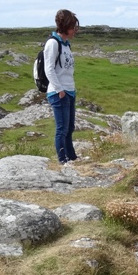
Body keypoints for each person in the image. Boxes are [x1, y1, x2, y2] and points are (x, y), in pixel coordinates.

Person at [45, 9, 79, 165]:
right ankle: (62, 160)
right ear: (66, 26)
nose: (75, 30)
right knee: (62, 129)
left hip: (69, 91)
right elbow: (49, 69)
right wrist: (59, 90)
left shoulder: (66, 44)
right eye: (73, 26)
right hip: (59, 92)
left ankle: (72, 157)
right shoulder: (53, 43)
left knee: (70, 127)